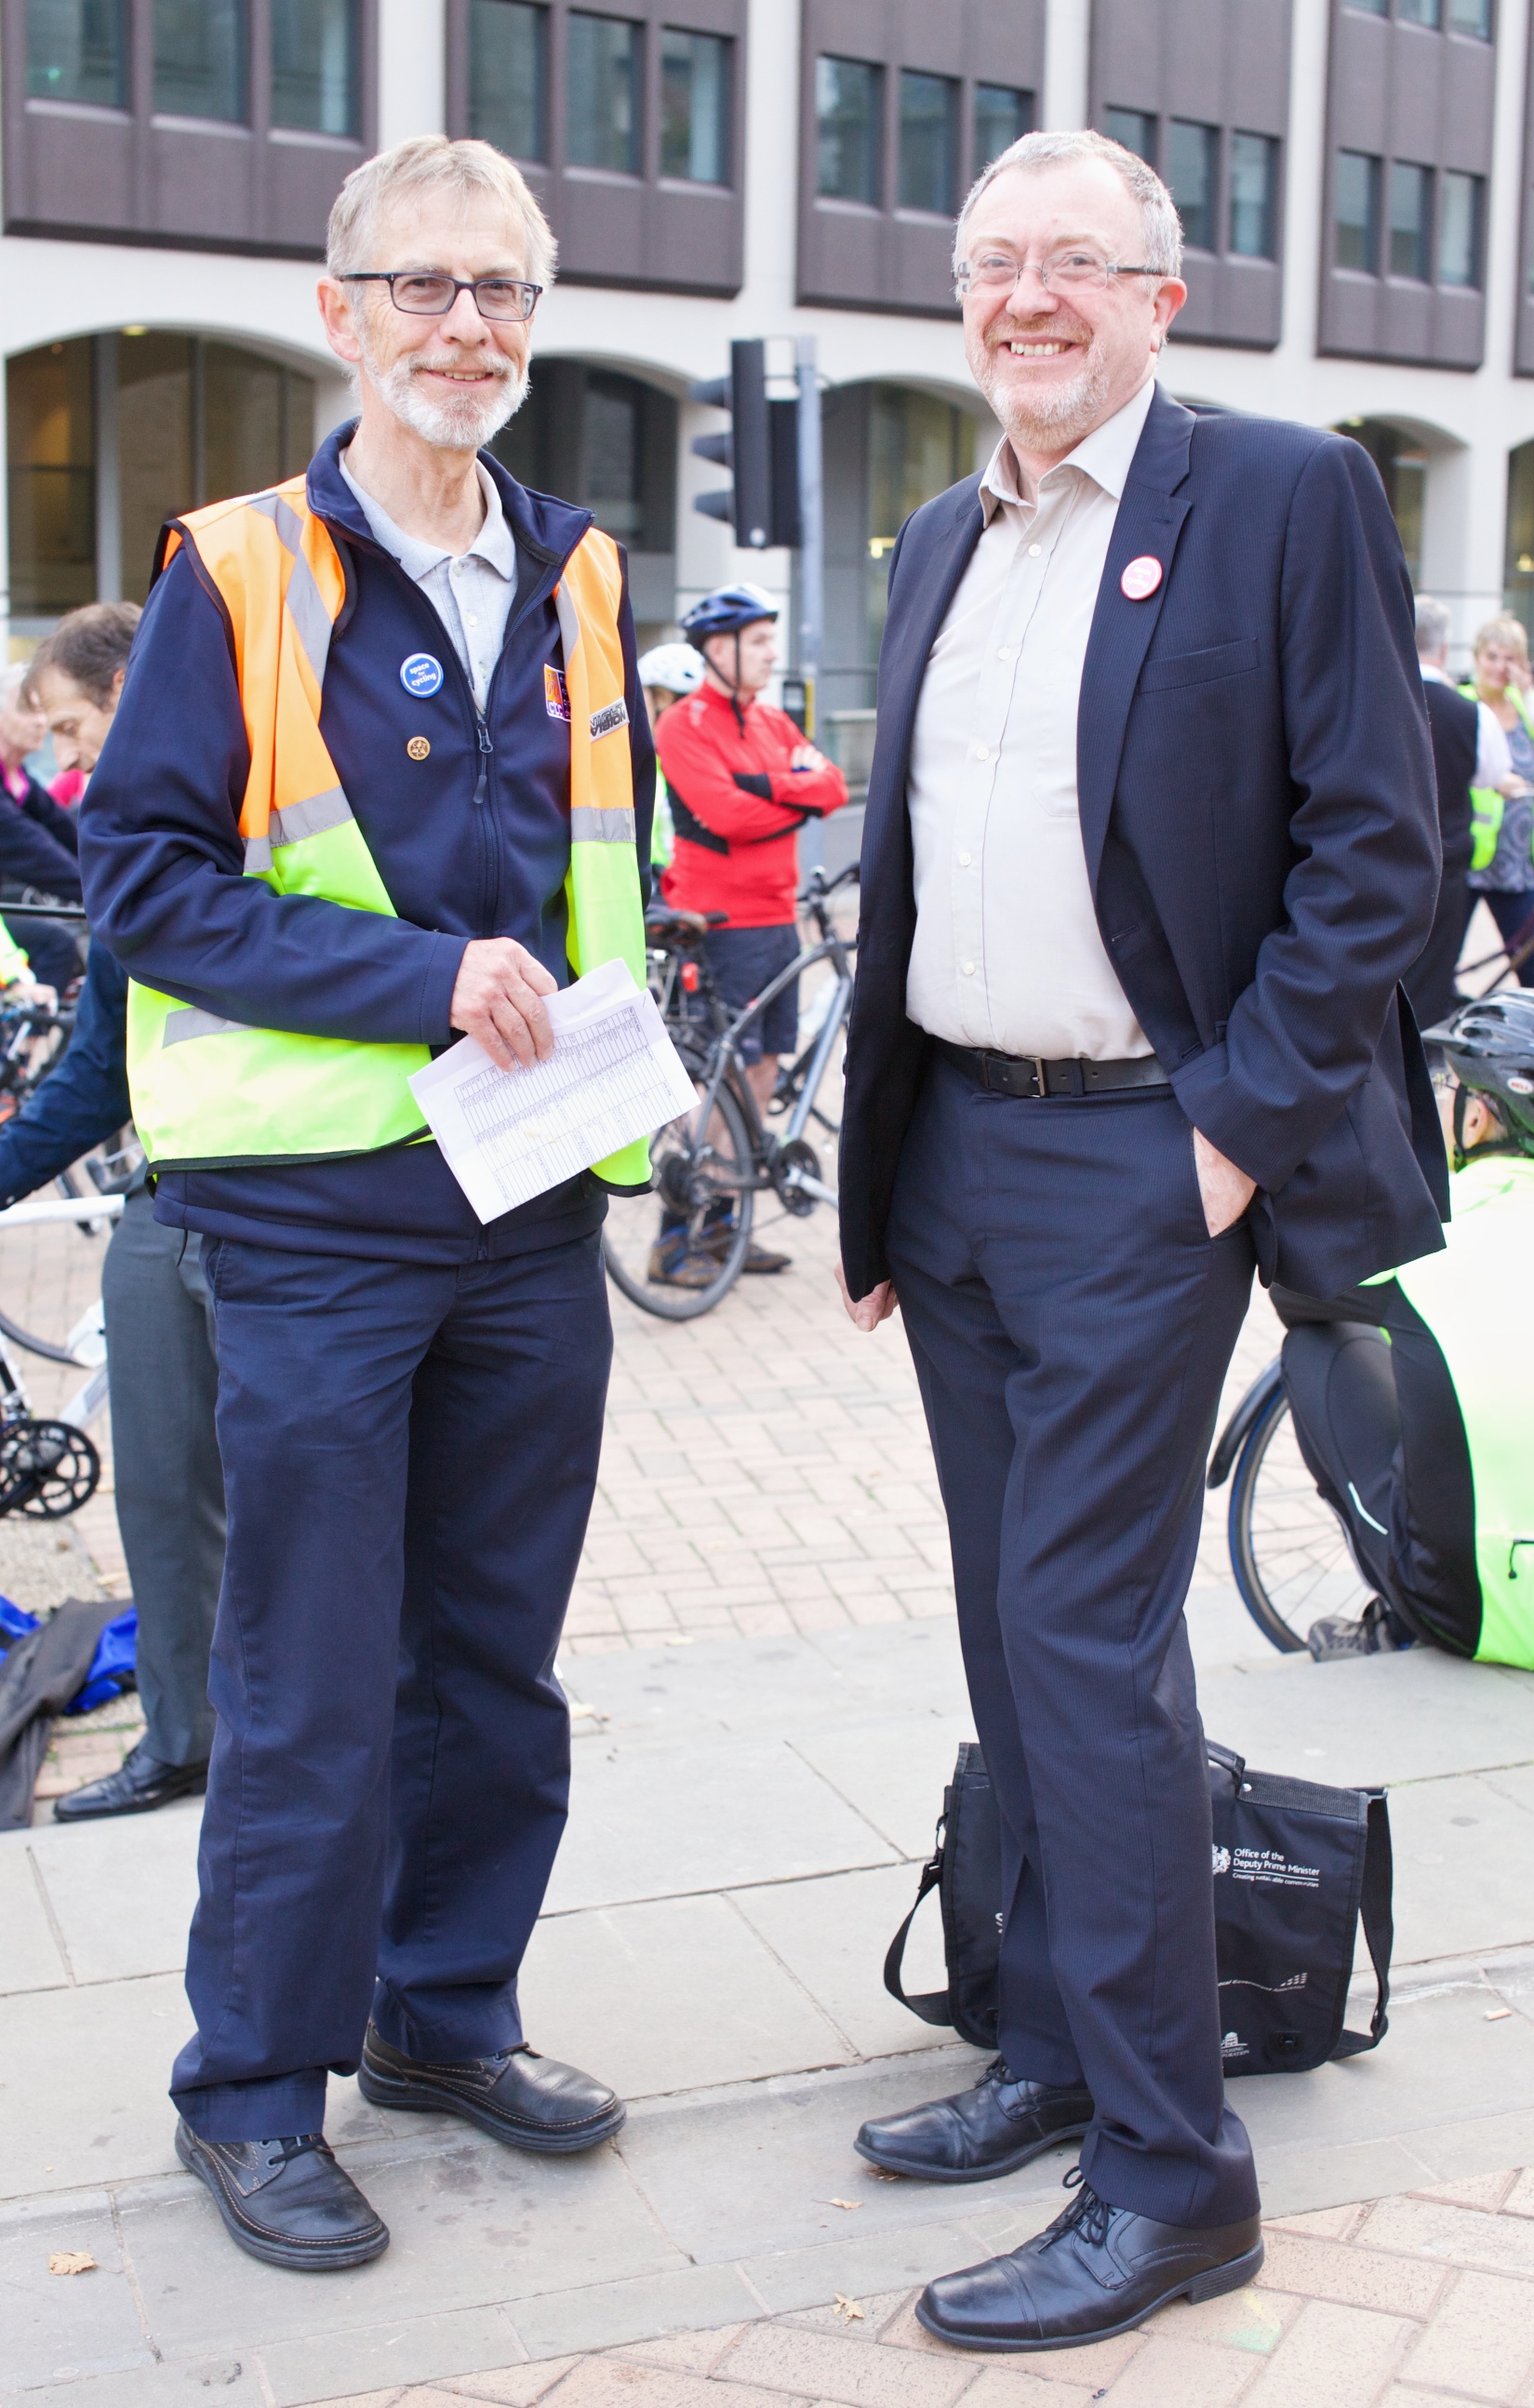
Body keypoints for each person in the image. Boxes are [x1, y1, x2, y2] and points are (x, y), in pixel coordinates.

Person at [836, 127, 1444, 2356]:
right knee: (1016, 1642)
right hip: (956, 1166)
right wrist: (883, 1160)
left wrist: (1226, 1133)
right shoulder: (934, 530)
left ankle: (1175, 2178)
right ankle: (1054, 2039)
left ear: (1157, 295)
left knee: (1084, 1646)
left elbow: (1377, 851)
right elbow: (917, 866)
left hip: (1134, 1161)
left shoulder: (1274, 495)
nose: (1022, 298)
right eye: (989, 259)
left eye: (1070, 263)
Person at [79, 135, 653, 2275]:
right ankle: (252, 2082)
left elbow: (609, 854)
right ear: (340, 312)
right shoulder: (236, 569)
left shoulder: (583, 564)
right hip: (316, 1215)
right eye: (420, 286)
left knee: (490, 1660)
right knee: (312, 1670)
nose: (464, 326)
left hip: (532, 1207)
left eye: (500, 290)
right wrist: (427, 979)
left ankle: (443, 2010)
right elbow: (141, 881)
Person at [0, 598, 224, 1822]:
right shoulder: (123, 827)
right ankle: (189, 1736)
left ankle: (261, 1745)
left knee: (280, 1501)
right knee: (162, 1488)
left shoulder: (246, 793)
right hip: (174, 1194)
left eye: (78, 730)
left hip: (285, 1208)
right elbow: (104, 1059)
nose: (71, 764)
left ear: (138, 685)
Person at [1287, 993, 1534, 1671]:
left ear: (1478, 1118)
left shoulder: (1431, 1241)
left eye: (1449, 1087)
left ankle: (1397, 1620)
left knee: (1319, 1345)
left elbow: (1299, 1296)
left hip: (1483, 1616)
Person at [652, 584, 847, 1283]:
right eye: (758, 642)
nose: (771, 653)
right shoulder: (682, 725)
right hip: (717, 923)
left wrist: (763, 786)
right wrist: (784, 792)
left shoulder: (768, 721)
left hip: (775, 917)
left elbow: (830, 785)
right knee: (717, 1076)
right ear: (717, 647)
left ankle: (727, 1228)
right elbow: (724, 816)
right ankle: (676, 1238)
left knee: (762, 1069)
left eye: (771, 639)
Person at [1409, 596, 1501, 1031]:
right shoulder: (1471, 713)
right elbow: (1492, 774)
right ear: (1445, 649)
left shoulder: (1378, 698)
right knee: (1431, 978)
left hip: (1384, 856)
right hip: (1445, 863)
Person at [0, 657, 89, 996]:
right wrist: (99, 892)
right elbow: (35, 851)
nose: (40, 723)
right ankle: (29, 1047)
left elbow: (66, 832)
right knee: (55, 944)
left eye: (43, 712)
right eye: (27, 711)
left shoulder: (20, 781)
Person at [1462, 614, 1534, 986]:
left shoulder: (1525, 708)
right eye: (1492, 656)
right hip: (1468, 859)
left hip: (1516, 864)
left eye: (1510, 659)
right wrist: (1493, 780)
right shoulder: (1461, 704)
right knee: (1437, 964)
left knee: (1530, 963)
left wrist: (1528, 693)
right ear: (1476, 657)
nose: (1500, 667)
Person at [636, 639, 703, 876]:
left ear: (661, 698)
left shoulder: (653, 766)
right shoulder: (646, 763)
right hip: (659, 892)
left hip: (676, 893)